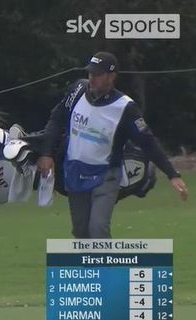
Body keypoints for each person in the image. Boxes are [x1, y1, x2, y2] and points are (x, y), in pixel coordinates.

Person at [37, 51, 188, 238]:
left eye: (98, 75)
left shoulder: (125, 108)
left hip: (107, 175)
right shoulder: (77, 91)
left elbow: (148, 143)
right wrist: (46, 153)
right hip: (75, 172)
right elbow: (56, 119)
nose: (92, 79)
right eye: (90, 74)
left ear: (111, 77)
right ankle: (90, 268)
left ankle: (106, 268)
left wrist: (172, 175)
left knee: (98, 229)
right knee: (81, 231)